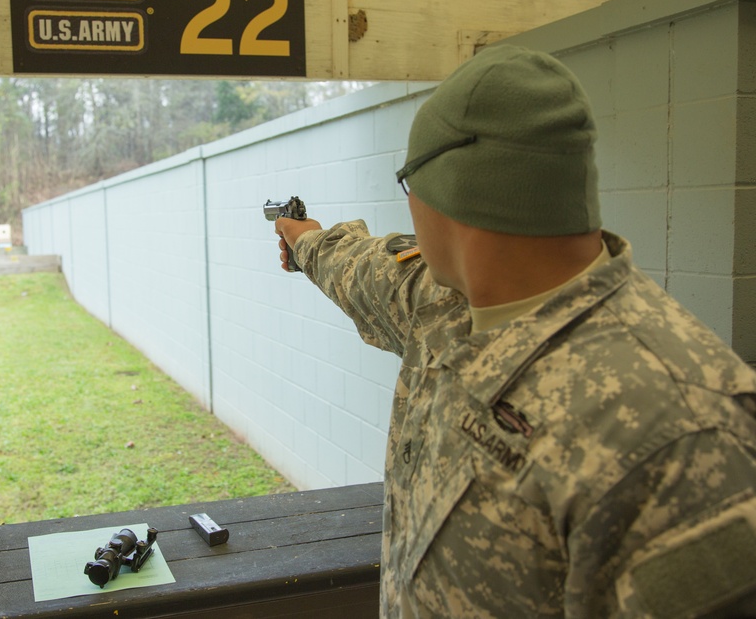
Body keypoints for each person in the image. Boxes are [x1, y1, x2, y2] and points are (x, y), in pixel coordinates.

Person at [274, 44, 756, 618]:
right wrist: (304, 239)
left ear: (448, 192)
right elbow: (358, 267)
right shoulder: (445, 302)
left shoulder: (683, 429)